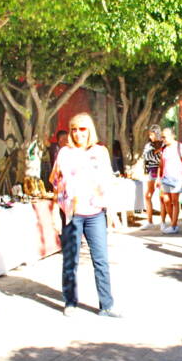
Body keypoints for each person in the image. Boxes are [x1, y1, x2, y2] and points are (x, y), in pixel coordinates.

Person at [49, 112, 121, 318]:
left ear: (90, 130)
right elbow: (56, 182)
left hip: (95, 213)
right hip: (71, 213)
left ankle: (106, 305)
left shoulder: (100, 152)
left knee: (101, 260)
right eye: (74, 130)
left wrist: (112, 211)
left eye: (82, 129)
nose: (78, 134)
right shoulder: (65, 153)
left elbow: (107, 182)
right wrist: (55, 210)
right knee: (70, 260)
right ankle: (70, 301)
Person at [158, 127, 182, 234]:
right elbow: (161, 164)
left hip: (177, 178)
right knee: (166, 200)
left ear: (172, 136)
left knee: (175, 201)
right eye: (162, 137)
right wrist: (159, 177)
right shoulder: (164, 149)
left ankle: (174, 225)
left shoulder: (181, 147)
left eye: (164, 137)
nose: (163, 139)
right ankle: (173, 223)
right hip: (166, 177)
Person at [140, 125, 164, 230]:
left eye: (152, 134)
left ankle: (163, 221)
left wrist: (156, 153)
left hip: (162, 171)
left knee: (162, 197)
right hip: (152, 171)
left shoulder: (163, 144)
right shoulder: (148, 145)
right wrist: (156, 152)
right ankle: (149, 221)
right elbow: (146, 156)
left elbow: (162, 158)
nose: (150, 136)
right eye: (149, 134)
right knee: (148, 196)